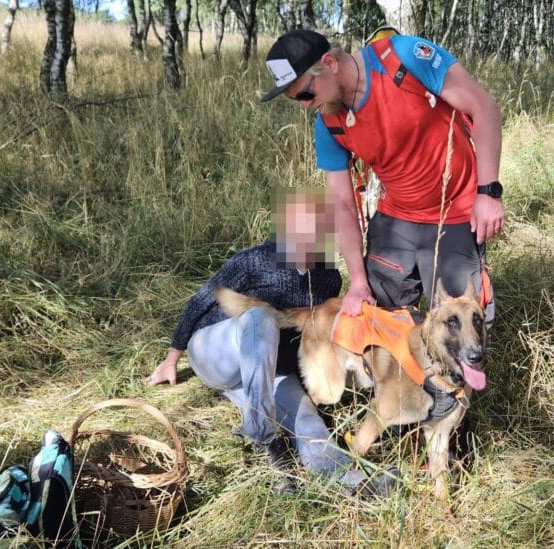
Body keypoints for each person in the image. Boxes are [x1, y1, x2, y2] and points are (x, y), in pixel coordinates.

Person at [145, 188, 396, 496]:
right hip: (216, 352)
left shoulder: (328, 278)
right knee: (259, 318)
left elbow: (316, 334)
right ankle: (262, 430)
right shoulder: (254, 260)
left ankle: (353, 481)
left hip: (268, 371)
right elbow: (200, 302)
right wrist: (172, 359)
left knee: (308, 421)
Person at [260, 30, 504, 323]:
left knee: (463, 329)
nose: (305, 105)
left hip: (455, 210)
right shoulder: (328, 124)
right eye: (295, 99)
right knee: (379, 324)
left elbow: (484, 108)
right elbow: (341, 204)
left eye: (305, 93)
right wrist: (359, 283)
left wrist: (488, 193)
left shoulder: (402, 56)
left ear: (329, 63)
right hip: (397, 219)